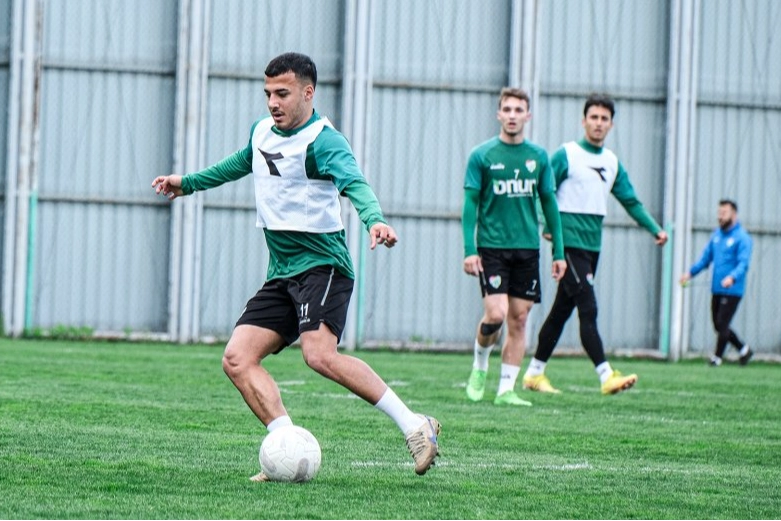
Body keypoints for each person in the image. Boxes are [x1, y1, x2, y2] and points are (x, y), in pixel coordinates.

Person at [151, 52, 440, 479]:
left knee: (319, 355)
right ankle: (285, 444)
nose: (273, 102)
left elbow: (354, 183)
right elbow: (239, 163)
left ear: (308, 93)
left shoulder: (324, 141)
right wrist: (188, 183)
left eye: (282, 94)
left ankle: (415, 425)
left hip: (323, 266)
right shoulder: (262, 132)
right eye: (268, 93)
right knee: (237, 358)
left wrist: (374, 220)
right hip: (282, 272)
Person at [521, 93, 668, 395]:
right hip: (568, 243)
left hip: (592, 247)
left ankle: (534, 373)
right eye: (594, 117)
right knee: (588, 308)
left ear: (611, 124)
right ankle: (605, 375)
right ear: (583, 120)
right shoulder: (567, 154)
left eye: (604, 119)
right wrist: (548, 226)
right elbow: (541, 192)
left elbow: (630, 201)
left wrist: (654, 229)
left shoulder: (611, 162)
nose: (598, 123)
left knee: (561, 311)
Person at [462, 87, 567, 407]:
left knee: (519, 320)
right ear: (499, 114)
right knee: (496, 314)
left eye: (518, 110)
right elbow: (470, 205)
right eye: (507, 109)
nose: (512, 115)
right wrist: (469, 249)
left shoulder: (539, 157)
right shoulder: (482, 155)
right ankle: (480, 365)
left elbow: (550, 204)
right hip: (492, 248)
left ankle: (506, 390)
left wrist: (559, 252)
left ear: (527, 116)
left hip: (527, 249)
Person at [680, 199, 753, 366]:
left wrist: (732, 277)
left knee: (722, 323)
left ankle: (717, 358)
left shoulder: (742, 238)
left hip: (733, 289)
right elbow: (705, 259)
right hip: (717, 288)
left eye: (724, 213)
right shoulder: (717, 236)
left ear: (734, 214)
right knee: (718, 326)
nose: (720, 216)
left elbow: (743, 264)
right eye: (719, 213)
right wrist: (690, 273)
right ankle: (744, 350)